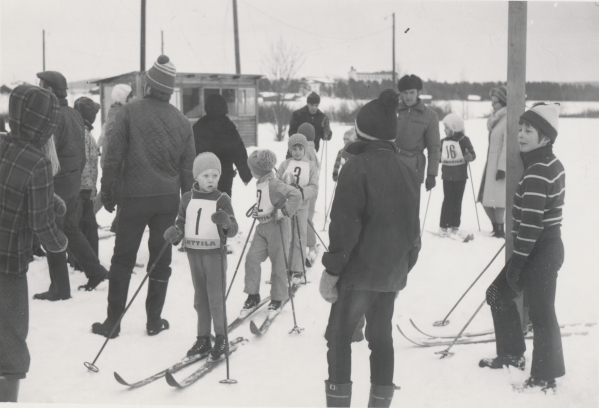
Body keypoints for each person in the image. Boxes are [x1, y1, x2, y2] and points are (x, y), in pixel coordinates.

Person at [320, 90, 421, 407]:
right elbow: (413, 233)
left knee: (339, 338)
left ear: (362, 131)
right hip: (390, 274)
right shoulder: (407, 170)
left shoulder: (356, 167)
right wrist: (400, 267)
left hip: (358, 275)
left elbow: (344, 226)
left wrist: (332, 270)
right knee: (381, 340)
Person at [92, 55, 196, 338]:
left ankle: (112, 324)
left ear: (149, 84)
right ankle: (154, 321)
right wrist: (187, 210)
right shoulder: (183, 122)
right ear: (170, 90)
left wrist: (108, 190)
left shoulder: (129, 111)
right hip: (167, 201)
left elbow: (112, 156)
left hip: (134, 198)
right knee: (161, 260)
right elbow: (189, 172)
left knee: (123, 259)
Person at [479, 103, 565, 393]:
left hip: (540, 250)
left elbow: (531, 224)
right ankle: (512, 353)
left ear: (546, 138)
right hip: (539, 249)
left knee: (541, 313)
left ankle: (544, 377)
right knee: (497, 294)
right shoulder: (547, 164)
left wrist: (516, 263)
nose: (521, 135)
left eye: (529, 130)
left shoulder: (538, 172)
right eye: (520, 128)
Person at [0, 85, 68, 402]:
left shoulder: (2, 144)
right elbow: (42, 226)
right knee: (11, 336)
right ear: (45, 124)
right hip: (9, 264)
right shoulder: (38, 162)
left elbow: (11, 186)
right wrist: (62, 242)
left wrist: (49, 198)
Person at [33, 71, 108, 300]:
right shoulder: (74, 114)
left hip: (57, 181)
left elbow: (48, 153)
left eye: (40, 85)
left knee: (51, 231)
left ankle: (60, 288)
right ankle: (96, 272)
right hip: (73, 180)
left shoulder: (52, 115)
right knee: (69, 229)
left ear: (48, 90)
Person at [163, 153, 238, 362]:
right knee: (200, 299)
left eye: (215, 175)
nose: (211, 180)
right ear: (196, 176)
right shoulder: (188, 198)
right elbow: (181, 222)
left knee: (215, 297)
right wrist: (176, 234)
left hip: (214, 254)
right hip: (194, 254)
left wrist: (225, 223)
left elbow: (232, 228)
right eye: (206, 175)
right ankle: (203, 338)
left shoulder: (222, 199)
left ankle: (221, 337)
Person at [240, 149, 302, 317]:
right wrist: (259, 211)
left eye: (251, 169)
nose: (250, 171)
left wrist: (285, 211)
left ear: (257, 171)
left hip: (277, 228)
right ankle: (253, 295)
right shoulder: (261, 181)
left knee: (279, 264)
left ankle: (278, 297)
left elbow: (296, 194)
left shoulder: (274, 183)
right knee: (252, 259)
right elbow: (266, 200)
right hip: (262, 227)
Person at [276, 134, 319, 284]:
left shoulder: (311, 165)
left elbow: (314, 188)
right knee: (287, 236)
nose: (297, 152)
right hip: (287, 207)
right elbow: (276, 182)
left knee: (299, 236)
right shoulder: (285, 164)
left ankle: (298, 268)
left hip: (302, 207)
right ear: (290, 149)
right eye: (294, 148)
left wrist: (301, 191)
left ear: (305, 149)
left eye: (300, 148)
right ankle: (285, 266)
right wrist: (284, 190)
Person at [192, 93, 252, 197]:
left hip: (203, 175)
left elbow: (190, 151)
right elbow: (239, 151)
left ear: (207, 107)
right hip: (223, 175)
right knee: (223, 205)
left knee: (203, 205)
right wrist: (246, 174)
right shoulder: (228, 127)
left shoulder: (198, 127)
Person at [394, 74, 440, 194]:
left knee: (410, 208)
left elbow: (434, 148)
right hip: (392, 163)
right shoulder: (393, 110)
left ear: (418, 93)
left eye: (411, 92)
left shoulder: (430, 116)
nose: (408, 96)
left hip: (413, 167)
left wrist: (432, 174)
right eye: (405, 93)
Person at [95, 84, 133, 227]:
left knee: (121, 191)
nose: (132, 98)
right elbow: (110, 135)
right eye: (130, 96)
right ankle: (87, 215)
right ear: (123, 97)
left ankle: (118, 224)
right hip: (115, 161)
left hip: (117, 159)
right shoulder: (117, 112)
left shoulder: (120, 110)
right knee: (115, 191)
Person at [72, 97, 101, 268]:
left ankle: (81, 261)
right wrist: (88, 189)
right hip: (84, 190)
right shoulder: (83, 134)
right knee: (87, 227)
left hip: (85, 189)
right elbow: (84, 164)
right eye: (94, 113)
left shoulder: (83, 132)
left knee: (83, 225)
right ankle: (88, 263)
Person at [438, 113, 476, 236]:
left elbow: (472, 154)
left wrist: (469, 156)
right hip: (447, 176)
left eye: (447, 127)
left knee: (458, 201)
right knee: (448, 200)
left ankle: (455, 225)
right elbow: (439, 156)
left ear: (454, 127)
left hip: (460, 176)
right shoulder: (443, 141)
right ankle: (444, 225)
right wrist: (437, 157)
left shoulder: (464, 140)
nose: (444, 130)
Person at [478, 85, 508, 238]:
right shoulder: (496, 119)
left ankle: (499, 229)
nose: (492, 104)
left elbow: (506, 146)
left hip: (498, 165)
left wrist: (502, 168)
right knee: (485, 198)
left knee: (499, 199)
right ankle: (496, 227)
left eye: (495, 102)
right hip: (490, 163)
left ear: (503, 103)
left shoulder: (508, 119)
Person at [296, 123, 320, 266]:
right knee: (306, 217)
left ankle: (311, 245)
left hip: (306, 191)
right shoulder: (312, 149)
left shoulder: (305, 151)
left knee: (305, 218)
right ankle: (307, 243)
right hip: (310, 191)